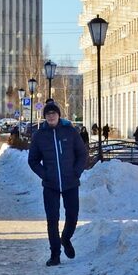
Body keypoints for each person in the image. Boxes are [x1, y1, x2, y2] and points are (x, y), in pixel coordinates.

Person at [27, 100, 87, 266]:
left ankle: (66, 239)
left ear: (59, 115)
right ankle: (55, 254)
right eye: (48, 114)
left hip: (71, 182)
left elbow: (82, 154)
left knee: (72, 216)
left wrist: (76, 172)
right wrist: (45, 175)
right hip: (50, 185)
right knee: (52, 219)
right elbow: (32, 160)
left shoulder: (70, 131)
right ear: (45, 117)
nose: (51, 116)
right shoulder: (39, 135)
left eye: (53, 113)